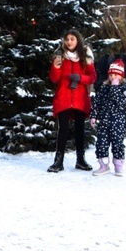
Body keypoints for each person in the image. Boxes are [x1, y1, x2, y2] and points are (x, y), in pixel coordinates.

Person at [47, 29, 96, 173]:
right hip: (63, 98)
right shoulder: (59, 56)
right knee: (62, 130)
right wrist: (55, 68)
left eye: (72, 39)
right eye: (67, 39)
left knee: (80, 130)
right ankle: (58, 161)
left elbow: (93, 77)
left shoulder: (85, 56)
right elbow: (54, 79)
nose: (69, 42)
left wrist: (81, 78)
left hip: (80, 99)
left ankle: (80, 160)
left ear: (78, 40)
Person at [90, 59, 126, 176]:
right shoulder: (103, 88)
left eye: (116, 75)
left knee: (117, 143)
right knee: (101, 143)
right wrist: (93, 116)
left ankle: (118, 165)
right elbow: (96, 103)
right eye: (111, 75)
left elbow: (122, 103)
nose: (113, 77)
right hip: (104, 121)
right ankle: (103, 165)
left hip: (118, 123)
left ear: (121, 76)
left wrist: (115, 88)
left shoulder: (125, 88)